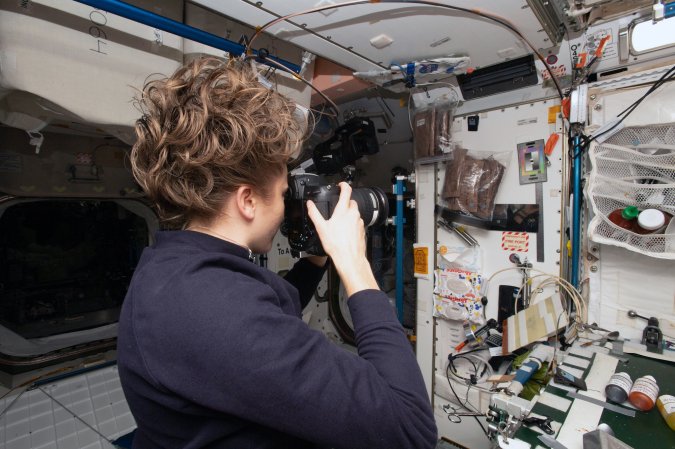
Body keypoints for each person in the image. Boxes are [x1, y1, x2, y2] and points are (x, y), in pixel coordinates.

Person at [117, 56, 437, 449]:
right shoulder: (218, 314)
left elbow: (270, 309)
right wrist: (354, 264)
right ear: (248, 200)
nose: (286, 206)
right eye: (284, 194)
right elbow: (411, 430)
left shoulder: (173, 268)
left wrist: (319, 255)